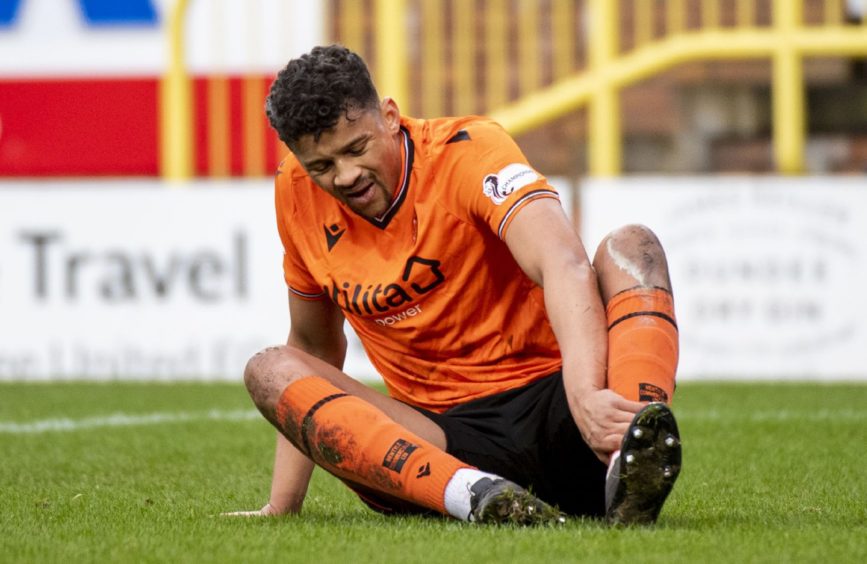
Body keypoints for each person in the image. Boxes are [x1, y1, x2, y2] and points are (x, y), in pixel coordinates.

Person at [228, 44, 681, 525]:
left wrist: (588, 397)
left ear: (390, 116)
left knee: (632, 247)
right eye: (321, 167)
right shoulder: (294, 193)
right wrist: (283, 505)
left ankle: (631, 453)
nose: (345, 176)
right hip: (440, 446)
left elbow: (562, 262)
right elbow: (315, 349)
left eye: (356, 149)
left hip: (563, 412)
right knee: (269, 368)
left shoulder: (468, 150)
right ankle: (479, 499)